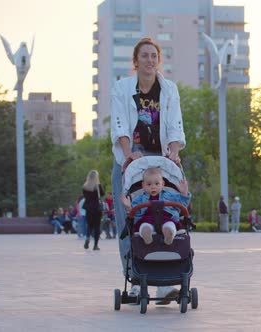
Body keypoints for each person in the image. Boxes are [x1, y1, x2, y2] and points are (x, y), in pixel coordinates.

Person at [110, 37, 186, 303]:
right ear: (135, 61)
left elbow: (175, 124)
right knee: (130, 220)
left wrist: (174, 153)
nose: (149, 60)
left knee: (166, 215)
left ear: (159, 60)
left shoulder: (169, 89)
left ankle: (165, 283)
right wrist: (128, 152)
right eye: (144, 56)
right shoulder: (122, 88)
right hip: (130, 163)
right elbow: (120, 123)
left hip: (160, 162)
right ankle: (133, 278)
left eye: (154, 56)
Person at [121, 167, 190, 245]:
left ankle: (169, 235)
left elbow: (182, 204)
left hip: (167, 219)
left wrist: (184, 194)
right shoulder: (139, 199)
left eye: (157, 184)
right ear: (143, 185)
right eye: (149, 184)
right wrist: (128, 207)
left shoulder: (170, 195)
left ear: (163, 184)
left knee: (170, 225)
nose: (153, 187)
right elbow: (134, 213)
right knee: (144, 226)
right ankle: (146, 235)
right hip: (147, 219)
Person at [83, 170, 105, 251]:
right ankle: (95, 245)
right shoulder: (98, 186)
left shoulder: (85, 186)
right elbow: (102, 194)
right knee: (97, 226)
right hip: (97, 208)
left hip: (88, 208)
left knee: (89, 225)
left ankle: (88, 238)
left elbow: (85, 196)